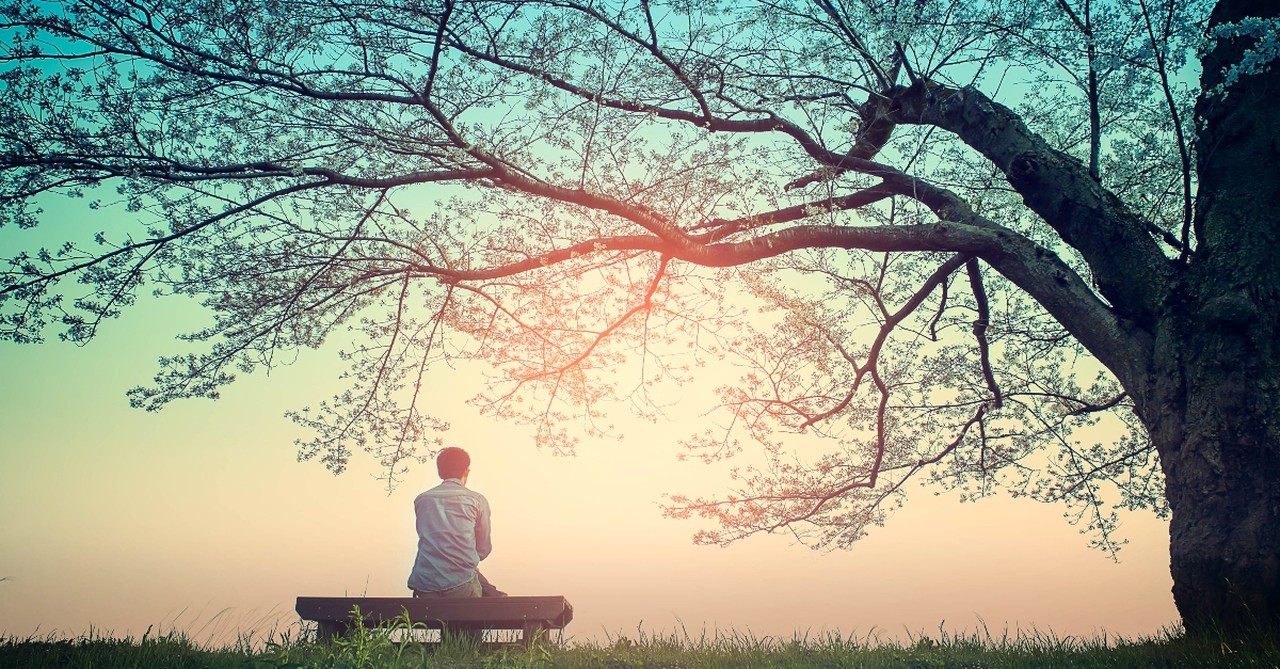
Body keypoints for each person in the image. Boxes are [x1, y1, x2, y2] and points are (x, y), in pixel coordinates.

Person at [407, 446, 506, 598]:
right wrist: (464, 560)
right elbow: (484, 548)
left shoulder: (422, 500)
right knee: (485, 591)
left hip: (424, 583)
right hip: (461, 583)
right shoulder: (477, 500)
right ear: (466, 470)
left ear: (439, 472)